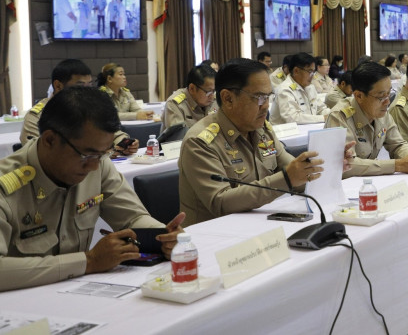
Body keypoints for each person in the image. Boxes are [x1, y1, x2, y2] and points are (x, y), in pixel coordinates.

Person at [0, 87, 185, 291]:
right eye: (86, 155)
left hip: (78, 293)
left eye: (102, 154)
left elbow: (132, 218)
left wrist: (163, 236)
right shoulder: (5, 185)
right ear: (50, 140)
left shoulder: (98, 163)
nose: (94, 166)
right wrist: (88, 261)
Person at [178, 59, 354, 225]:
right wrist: (286, 178)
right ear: (228, 98)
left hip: (258, 225)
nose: (266, 106)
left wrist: (329, 164)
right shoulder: (200, 142)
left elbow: (296, 174)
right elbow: (220, 202)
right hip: (213, 237)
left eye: (268, 97)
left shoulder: (262, 130)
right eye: (259, 98)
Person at [325, 62, 408, 177]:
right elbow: (347, 165)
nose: (387, 102)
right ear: (359, 96)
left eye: (389, 94)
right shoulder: (339, 117)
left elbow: (398, 145)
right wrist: (397, 165)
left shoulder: (382, 113)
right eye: (381, 97)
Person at [270, 52, 330, 125]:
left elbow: (321, 108)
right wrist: (323, 118)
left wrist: (332, 114)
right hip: (287, 131)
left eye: (313, 72)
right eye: (310, 71)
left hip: (308, 128)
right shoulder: (284, 89)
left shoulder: (310, 87)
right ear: (296, 71)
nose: (312, 75)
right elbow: (292, 118)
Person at [161, 64, 218, 133]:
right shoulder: (175, 104)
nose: (212, 96)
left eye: (214, 91)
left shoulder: (215, 100)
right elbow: (178, 137)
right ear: (192, 88)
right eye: (208, 92)